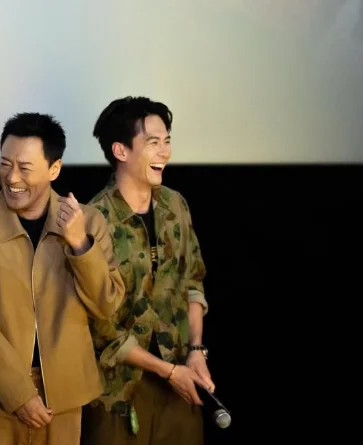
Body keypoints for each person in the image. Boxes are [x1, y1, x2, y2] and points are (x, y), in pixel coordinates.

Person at [0, 112, 126, 445]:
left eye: (25, 167)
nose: (12, 177)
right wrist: (18, 393)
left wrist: (80, 244)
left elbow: (107, 305)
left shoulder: (88, 222)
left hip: (64, 399)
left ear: (54, 169)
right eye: (5, 164)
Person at [81, 97, 215, 445]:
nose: (164, 152)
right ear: (120, 151)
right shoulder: (94, 219)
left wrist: (196, 351)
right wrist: (167, 371)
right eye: (153, 142)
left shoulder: (175, 205)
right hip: (118, 394)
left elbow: (193, 281)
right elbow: (100, 326)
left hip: (180, 388)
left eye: (167, 141)